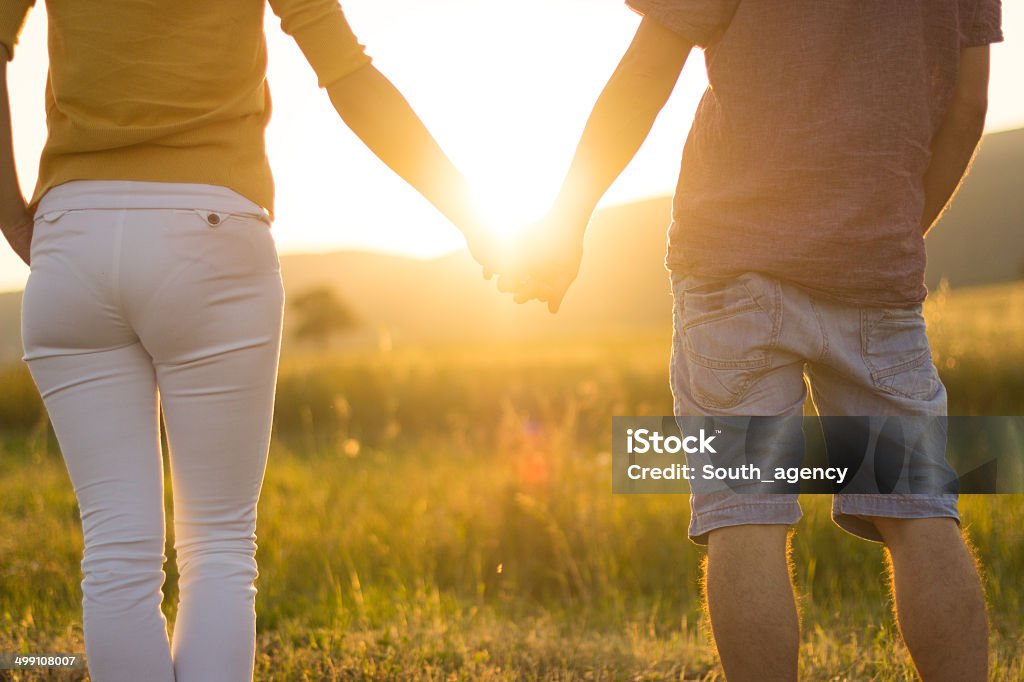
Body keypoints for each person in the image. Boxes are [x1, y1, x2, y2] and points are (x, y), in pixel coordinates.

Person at [500, 2, 1001, 680]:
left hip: (731, 264)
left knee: (745, 510)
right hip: (873, 271)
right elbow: (970, 106)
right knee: (917, 505)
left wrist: (566, 220)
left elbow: (649, 65)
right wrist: (893, 236)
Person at [0, 2, 496, 680]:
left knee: (116, 553)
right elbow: (348, 73)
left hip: (73, 232)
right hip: (210, 229)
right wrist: (476, 217)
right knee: (219, 549)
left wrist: (15, 215)